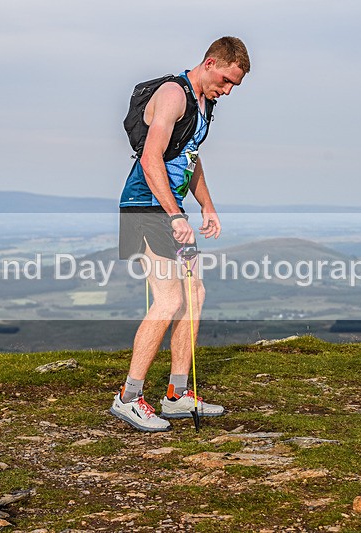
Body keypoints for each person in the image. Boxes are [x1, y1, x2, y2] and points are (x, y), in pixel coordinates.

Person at [111, 36, 250, 432]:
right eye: (225, 80)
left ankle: (176, 394)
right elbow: (151, 157)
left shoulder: (205, 104)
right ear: (210, 63)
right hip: (145, 208)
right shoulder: (174, 93)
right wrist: (174, 214)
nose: (226, 90)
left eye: (233, 86)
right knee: (169, 300)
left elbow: (191, 155)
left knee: (195, 294)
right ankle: (129, 397)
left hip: (171, 209)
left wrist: (206, 204)